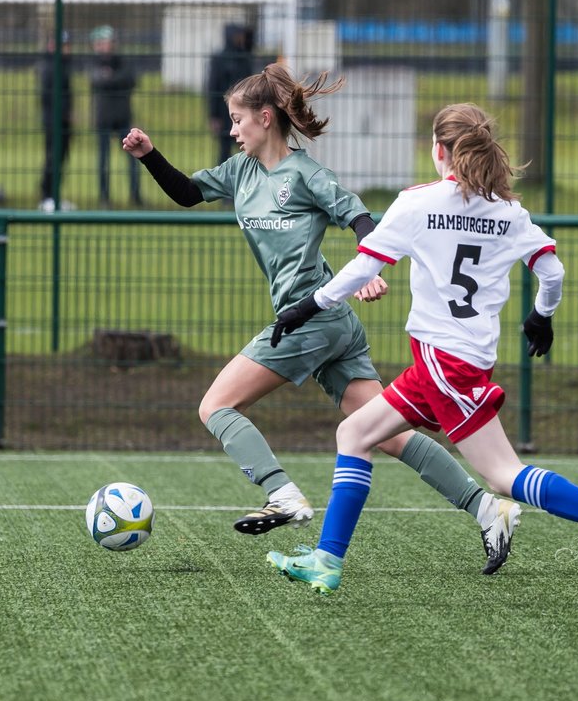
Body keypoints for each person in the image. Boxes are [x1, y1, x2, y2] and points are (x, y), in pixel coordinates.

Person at [121, 65, 521, 574]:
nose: (231, 129)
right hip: (334, 326)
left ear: (265, 119)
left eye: (237, 119)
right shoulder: (240, 171)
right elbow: (186, 192)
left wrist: (370, 267)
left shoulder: (308, 175)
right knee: (387, 434)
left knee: (216, 405)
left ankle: (281, 493)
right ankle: (490, 509)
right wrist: (148, 155)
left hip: (310, 318)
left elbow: (361, 217)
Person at [266, 103, 578, 594]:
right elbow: (553, 270)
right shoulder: (508, 212)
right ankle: (327, 561)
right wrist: (542, 314)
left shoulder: (417, 203)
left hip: (442, 360)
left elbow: (365, 267)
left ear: (438, 151)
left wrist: (308, 305)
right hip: (460, 358)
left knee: (503, 474)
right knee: (354, 433)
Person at [87, 25, 140, 206]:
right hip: (103, 118)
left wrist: (110, 79)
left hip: (122, 116)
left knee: (134, 157)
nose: (103, 46)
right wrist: (114, 80)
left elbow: (130, 79)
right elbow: (97, 80)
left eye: (106, 42)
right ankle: (104, 197)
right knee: (103, 160)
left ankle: (135, 195)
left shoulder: (122, 62)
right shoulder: (95, 64)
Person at [207, 24, 255, 164]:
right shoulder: (219, 59)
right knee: (224, 151)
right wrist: (214, 115)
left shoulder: (244, 56)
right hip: (223, 111)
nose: (239, 38)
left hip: (244, 110)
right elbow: (213, 87)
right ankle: (223, 182)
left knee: (247, 150)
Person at [37, 31, 73, 209]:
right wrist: (63, 113)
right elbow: (49, 96)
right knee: (53, 158)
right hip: (54, 121)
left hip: (62, 121)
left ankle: (54, 196)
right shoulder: (50, 66)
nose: (67, 49)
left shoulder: (62, 65)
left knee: (60, 159)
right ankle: (47, 197)